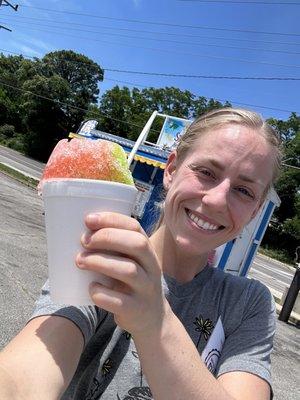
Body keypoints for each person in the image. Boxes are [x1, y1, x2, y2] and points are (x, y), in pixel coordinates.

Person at [0, 108, 282, 400]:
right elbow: (26, 373)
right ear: (171, 170)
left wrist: (155, 321)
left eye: (244, 190)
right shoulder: (105, 261)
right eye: (206, 172)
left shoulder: (248, 304)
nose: (217, 200)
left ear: (256, 211)